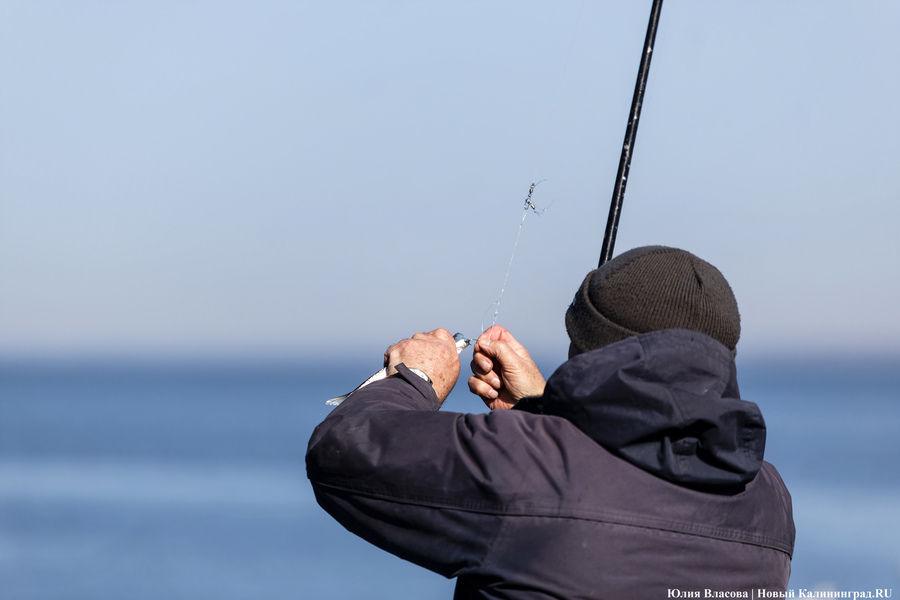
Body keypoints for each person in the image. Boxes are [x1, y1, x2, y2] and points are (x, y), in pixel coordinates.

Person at [306, 246, 795, 599]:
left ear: (591, 350)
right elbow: (631, 494)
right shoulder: (769, 499)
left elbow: (344, 449)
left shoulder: (530, 469)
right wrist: (543, 410)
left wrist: (414, 378)